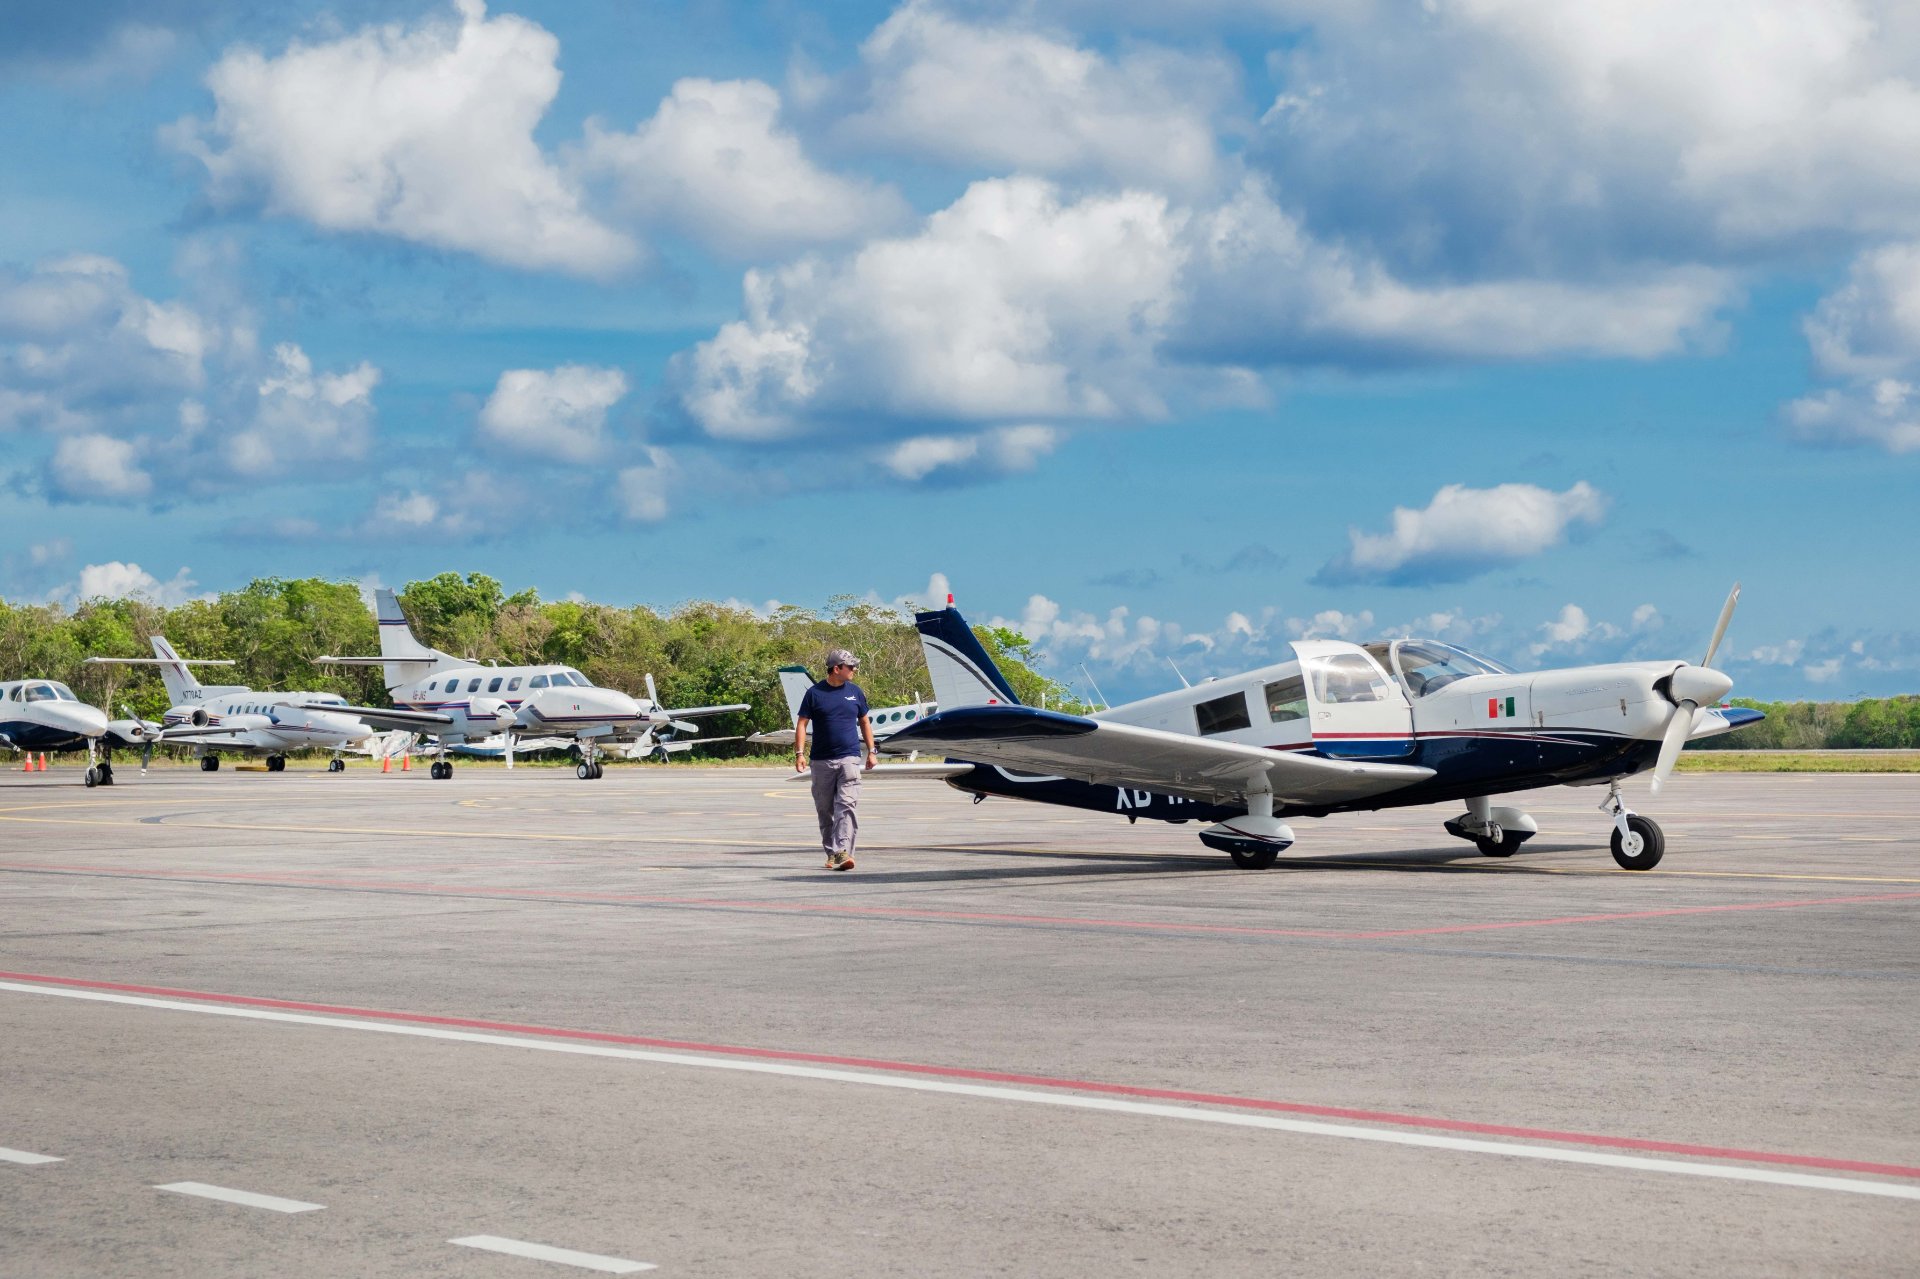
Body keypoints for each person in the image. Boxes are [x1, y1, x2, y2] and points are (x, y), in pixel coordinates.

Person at [794, 648, 877, 871]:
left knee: (846, 806)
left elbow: (865, 722)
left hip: (849, 757)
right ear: (837, 668)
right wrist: (799, 754)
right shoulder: (814, 693)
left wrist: (872, 751)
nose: (854, 670)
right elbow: (802, 724)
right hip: (821, 761)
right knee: (825, 810)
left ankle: (843, 852)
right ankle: (832, 853)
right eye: (850, 666)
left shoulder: (856, 692)